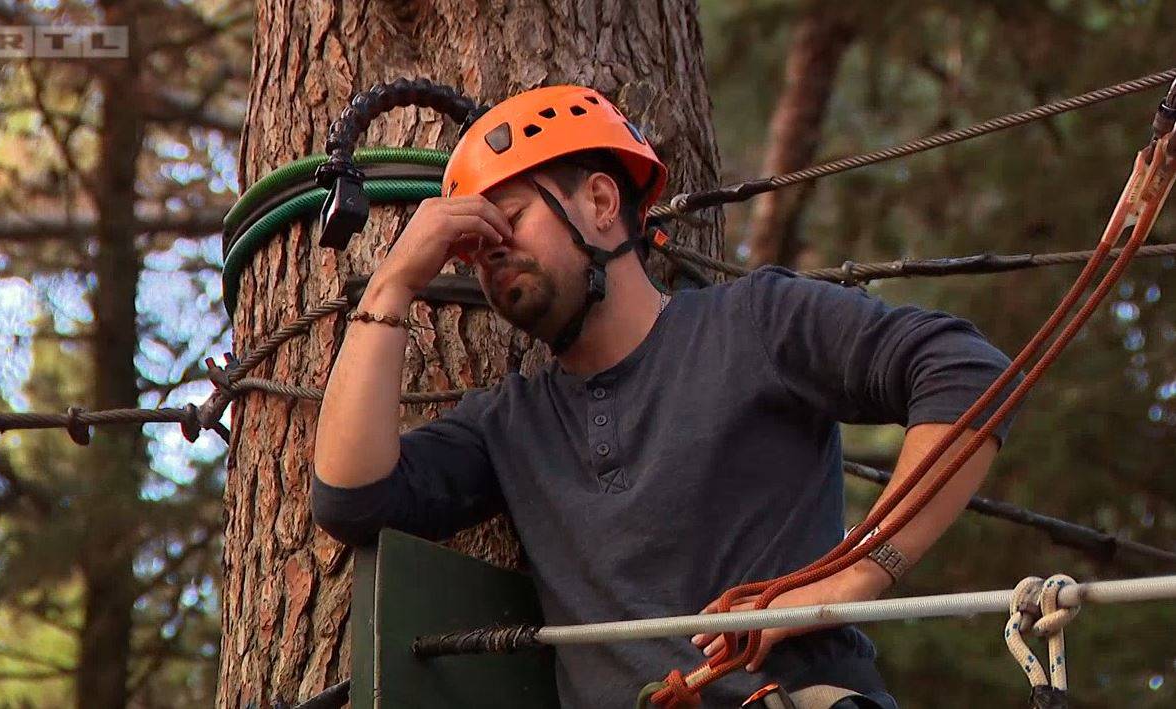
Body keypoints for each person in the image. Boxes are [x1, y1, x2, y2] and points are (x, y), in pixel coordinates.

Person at [311, 85, 1021, 708]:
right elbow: (352, 499)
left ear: (597, 201)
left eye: (511, 218)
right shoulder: (511, 424)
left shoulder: (753, 324)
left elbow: (966, 372)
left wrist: (857, 570)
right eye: (473, 247)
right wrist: (392, 286)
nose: (489, 254)